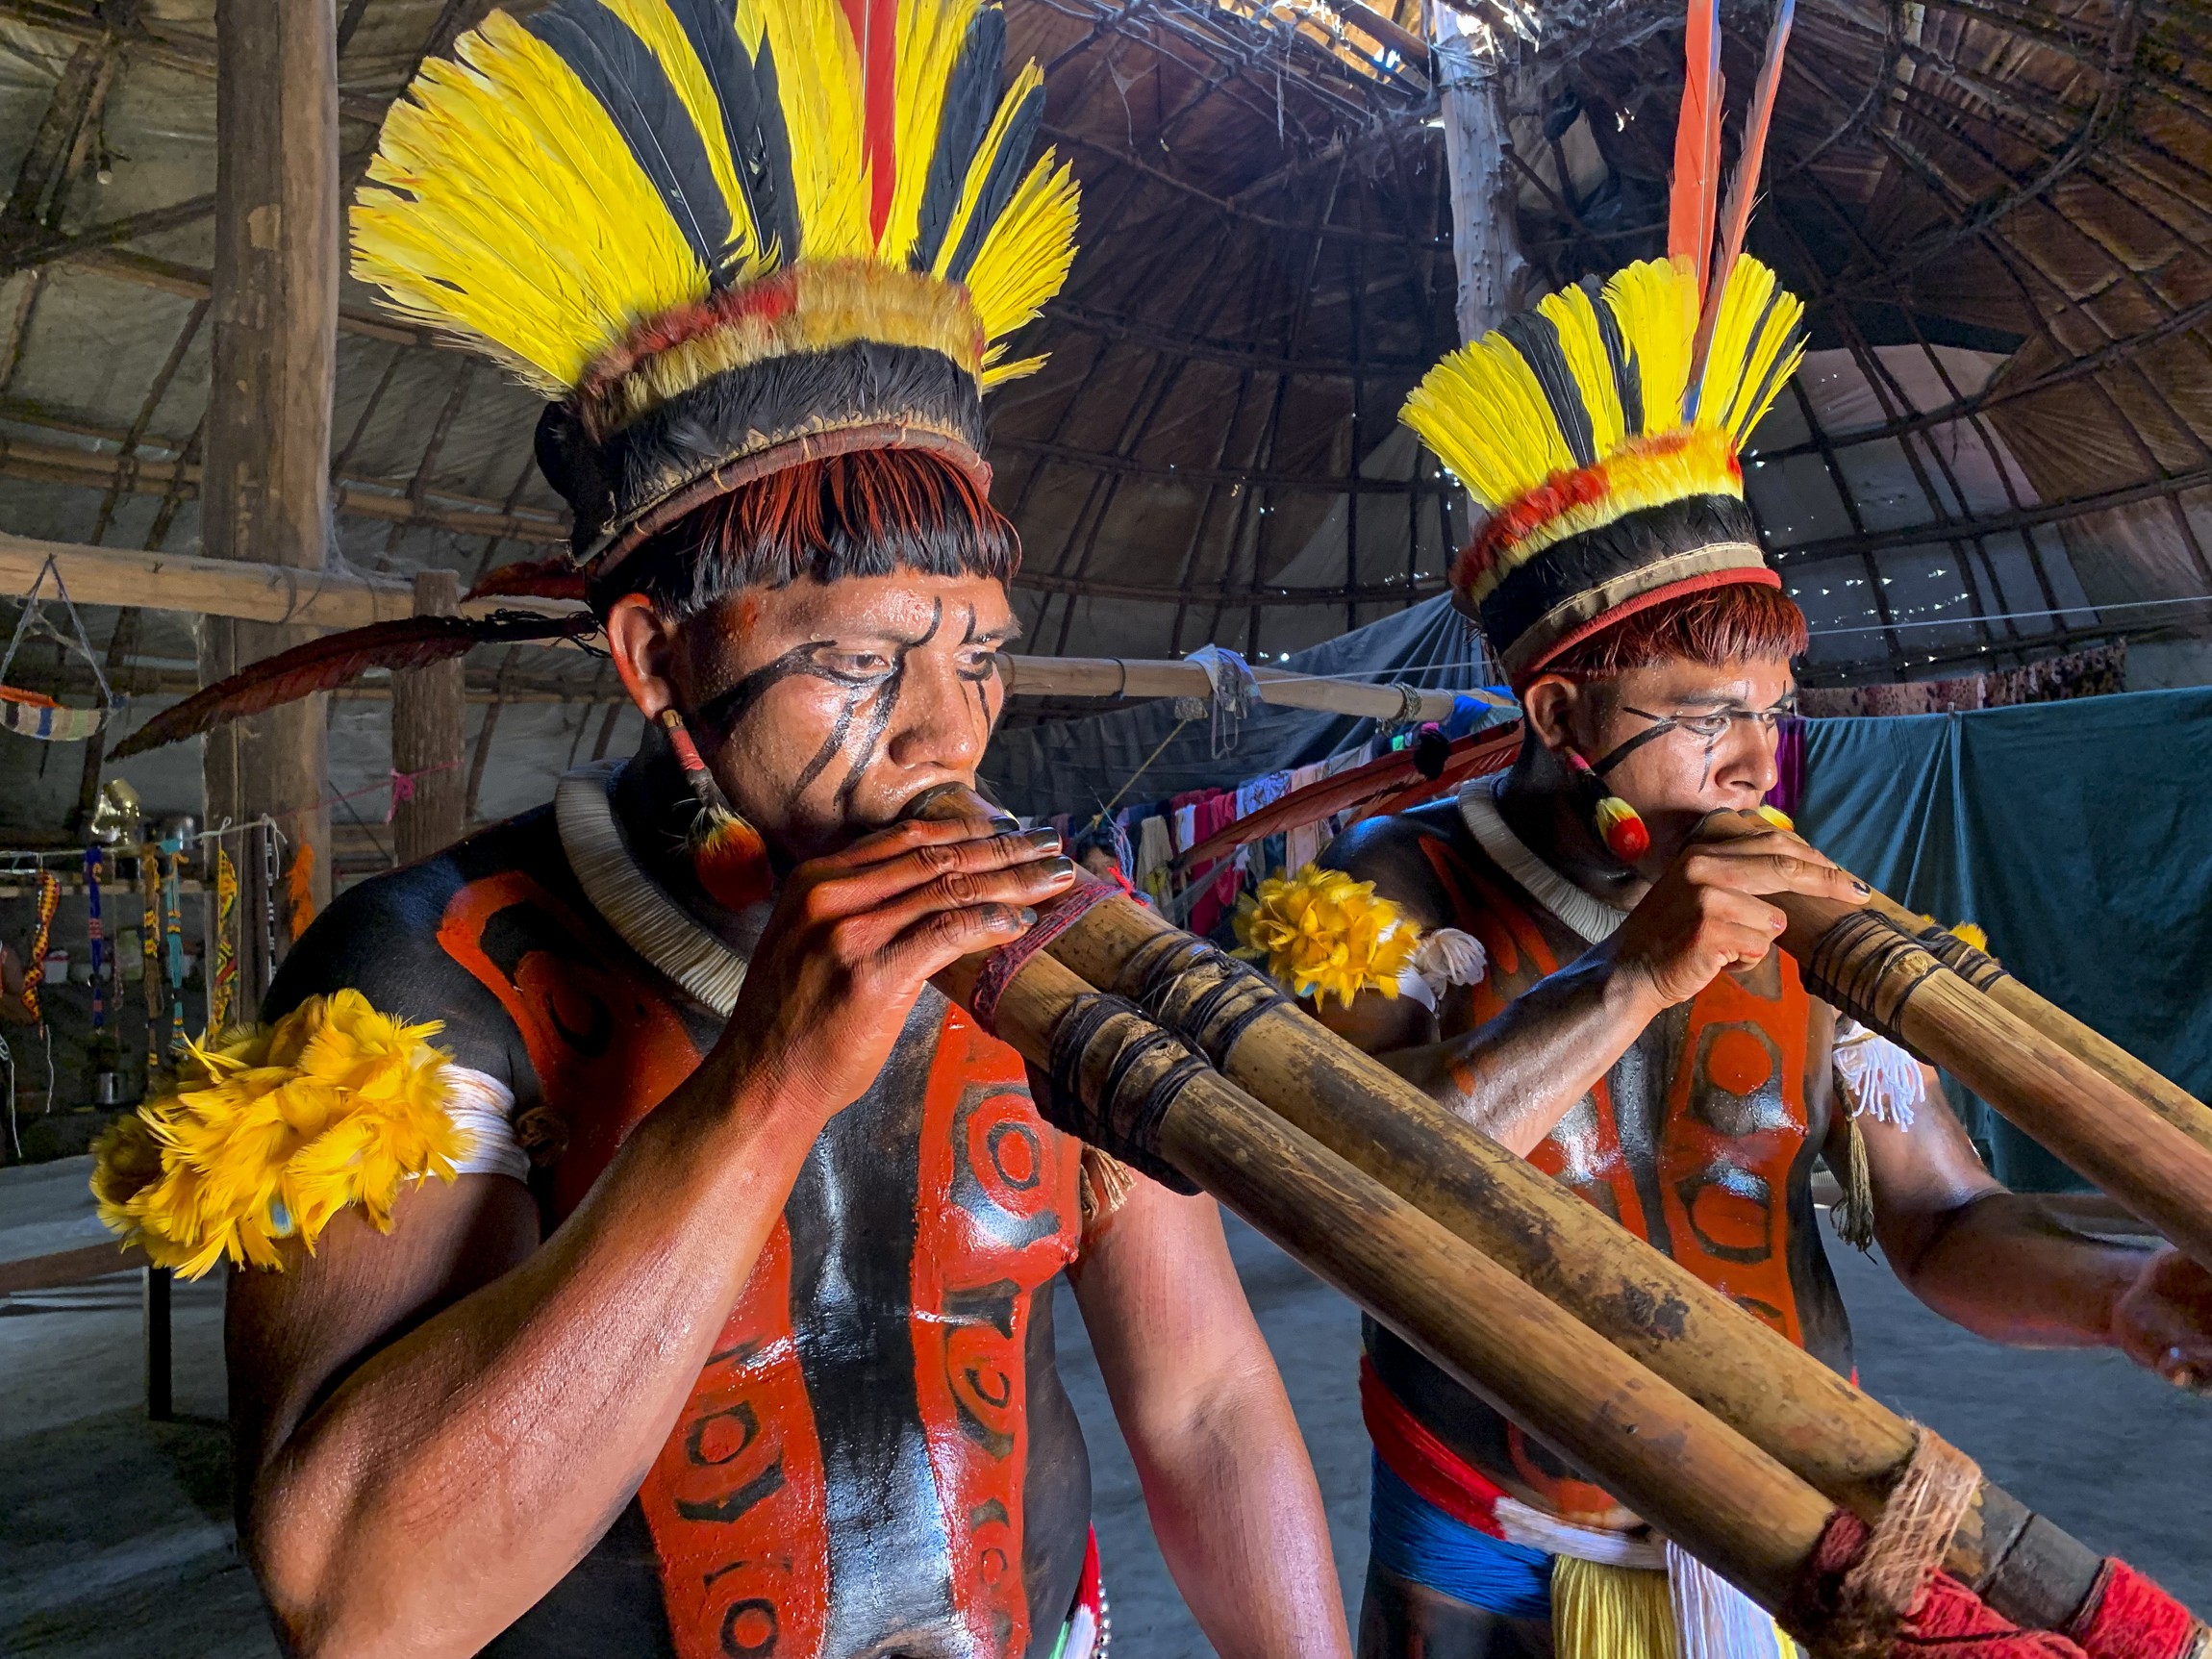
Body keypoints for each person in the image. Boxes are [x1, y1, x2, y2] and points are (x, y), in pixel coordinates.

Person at [89, 4, 1351, 1655]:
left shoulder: (1048, 930)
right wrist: (767, 1084)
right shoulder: (423, 982)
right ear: (659, 658)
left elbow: (1200, 1406)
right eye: (854, 661)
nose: (941, 728)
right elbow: (355, 1599)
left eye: (975, 658)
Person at [1267, 13, 2212, 1649]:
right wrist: (1633, 977)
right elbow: (1357, 1185)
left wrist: (2112, 1294)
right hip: (1492, 1529)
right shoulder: (1391, 887)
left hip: (1782, 1528)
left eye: (1768, 707)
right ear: (1564, 721)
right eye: (1702, 710)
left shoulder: (1813, 915)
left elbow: (1939, 1218)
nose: (1753, 751)